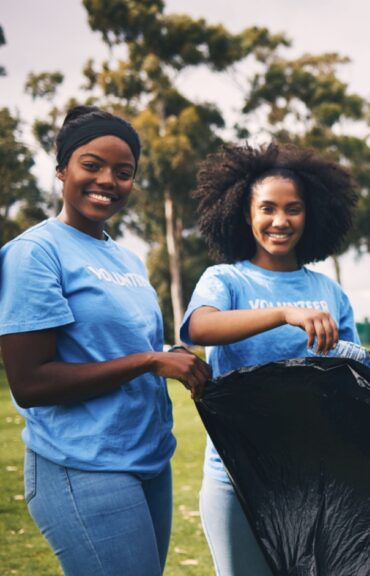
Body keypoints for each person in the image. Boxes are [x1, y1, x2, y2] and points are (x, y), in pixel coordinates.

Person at [0, 106, 211, 576]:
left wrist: (168, 355)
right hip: (82, 465)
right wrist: (149, 361)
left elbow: (132, 346)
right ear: (61, 170)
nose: (107, 180)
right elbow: (30, 382)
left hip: (148, 461)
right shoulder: (34, 254)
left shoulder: (127, 260)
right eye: (91, 165)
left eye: (123, 172)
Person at [181, 142, 360, 576]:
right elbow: (198, 327)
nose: (280, 221)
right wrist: (283, 314)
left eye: (293, 209)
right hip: (236, 477)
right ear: (246, 213)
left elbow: (355, 370)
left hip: (312, 477)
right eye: (267, 208)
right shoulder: (226, 278)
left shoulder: (329, 292)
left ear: (309, 215)